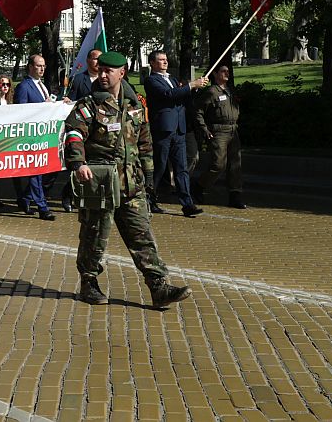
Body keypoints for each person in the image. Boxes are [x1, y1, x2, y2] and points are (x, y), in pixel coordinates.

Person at [64, 51, 192, 308]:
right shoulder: (88, 105)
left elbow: (145, 144)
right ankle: (89, 282)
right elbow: (74, 133)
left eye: (107, 71)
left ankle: (159, 288)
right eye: (99, 70)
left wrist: (148, 180)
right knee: (95, 236)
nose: (101, 75)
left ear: (121, 73)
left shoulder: (134, 106)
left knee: (142, 236)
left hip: (132, 185)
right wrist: (78, 163)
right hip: (100, 183)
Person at [142, 51, 208, 217]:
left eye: (166, 59)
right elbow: (168, 95)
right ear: (152, 63)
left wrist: (195, 89)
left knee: (181, 168)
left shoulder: (171, 79)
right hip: (163, 129)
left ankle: (187, 203)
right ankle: (149, 198)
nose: (165, 62)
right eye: (161, 60)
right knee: (160, 166)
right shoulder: (151, 80)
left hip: (179, 128)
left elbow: (182, 98)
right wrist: (190, 86)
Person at [192, 65, 246, 209]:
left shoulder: (230, 91)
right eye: (223, 71)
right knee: (218, 164)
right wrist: (204, 128)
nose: (227, 73)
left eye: (228, 71)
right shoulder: (211, 92)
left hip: (233, 130)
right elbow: (198, 111)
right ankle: (199, 186)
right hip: (218, 130)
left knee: (235, 164)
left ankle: (235, 195)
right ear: (215, 74)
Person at [13, 54, 57, 220]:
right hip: (31, 137)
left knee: (44, 171)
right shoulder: (24, 86)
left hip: (44, 135)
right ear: (30, 66)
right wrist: (42, 107)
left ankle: (25, 199)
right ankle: (42, 207)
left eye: (44, 66)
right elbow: (21, 111)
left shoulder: (42, 86)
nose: (42, 69)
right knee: (35, 172)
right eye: (39, 65)